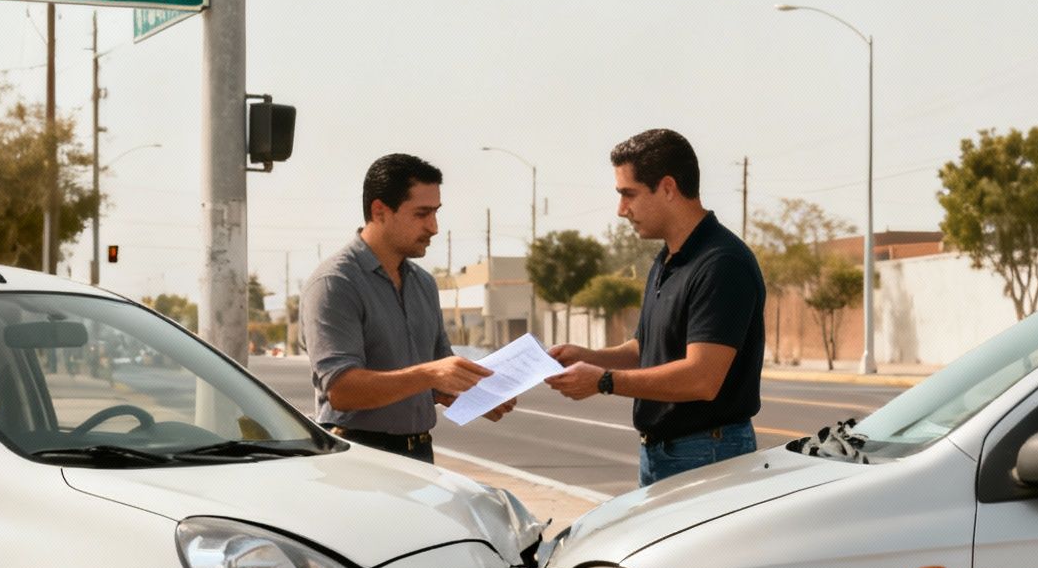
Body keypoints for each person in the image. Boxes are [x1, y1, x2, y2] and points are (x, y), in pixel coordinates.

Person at [546, 128, 765, 485]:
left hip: (707, 454)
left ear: (667, 187)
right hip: (663, 452)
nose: (621, 210)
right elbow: (647, 348)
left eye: (628, 194)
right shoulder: (668, 259)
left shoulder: (722, 263)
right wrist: (588, 356)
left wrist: (603, 381)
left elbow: (702, 378)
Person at [303, 153, 514, 463]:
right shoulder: (335, 283)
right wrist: (431, 375)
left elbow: (436, 372)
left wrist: (476, 393)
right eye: (421, 213)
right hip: (358, 458)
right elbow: (342, 390)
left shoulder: (423, 284)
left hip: (419, 454)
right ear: (380, 211)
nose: (434, 227)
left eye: (436, 212)